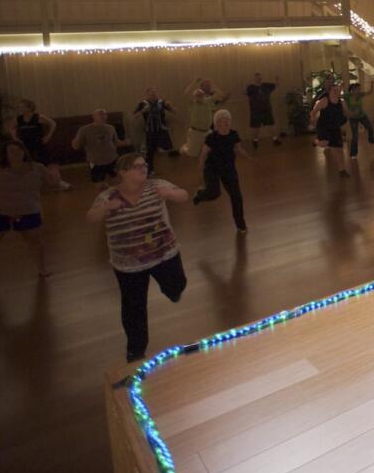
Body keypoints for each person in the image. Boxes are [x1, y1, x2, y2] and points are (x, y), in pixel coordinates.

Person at [87, 153, 189, 363]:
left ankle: (174, 291)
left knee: (177, 285)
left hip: (164, 254)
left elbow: (184, 195)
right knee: (134, 307)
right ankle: (135, 350)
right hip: (129, 264)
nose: (143, 168)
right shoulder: (109, 196)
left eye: (144, 165)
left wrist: (169, 194)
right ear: (123, 172)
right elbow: (90, 217)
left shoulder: (157, 185)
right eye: (136, 166)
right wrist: (106, 208)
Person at [0, 141, 59, 277]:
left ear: (24, 152)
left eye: (18, 150)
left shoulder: (37, 168)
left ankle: (42, 269)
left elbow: (53, 183)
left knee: (36, 242)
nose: (16, 154)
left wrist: (55, 172)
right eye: (11, 151)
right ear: (6, 155)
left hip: (28, 211)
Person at [192, 109, 250, 232]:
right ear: (217, 124)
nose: (225, 123)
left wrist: (249, 158)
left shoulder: (234, 134)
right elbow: (203, 154)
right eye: (222, 121)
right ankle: (200, 194)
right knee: (214, 193)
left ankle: (240, 224)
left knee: (236, 196)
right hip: (212, 169)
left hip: (228, 169)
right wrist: (200, 168)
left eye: (227, 120)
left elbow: (238, 149)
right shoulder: (211, 137)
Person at [10, 99, 70, 190]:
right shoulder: (19, 119)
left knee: (49, 164)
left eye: (22, 106)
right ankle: (23, 185)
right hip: (25, 145)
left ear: (29, 107)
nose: (20, 108)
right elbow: (11, 127)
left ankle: (59, 183)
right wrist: (16, 139)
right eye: (20, 107)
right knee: (25, 165)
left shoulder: (37, 117)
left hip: (38, 144)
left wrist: (48, 136)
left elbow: (53, 124)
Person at [72, 109, 125, 190]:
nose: (103, 116)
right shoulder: (84, 130)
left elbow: (116, 141)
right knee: (100, 185)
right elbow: (76, 146)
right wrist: (75, 143)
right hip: (96, 161)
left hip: (111, 159)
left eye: (105, 114)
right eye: (100, 114)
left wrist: (127, 142)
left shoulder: (111, 128)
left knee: (118, 180)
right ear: (93, 117)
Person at [310, 84, 351, 177]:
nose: (336, 92)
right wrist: (312, 122)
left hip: (335, 127)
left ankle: (342, 170)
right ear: (329, 92)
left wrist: (350, 118)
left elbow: (347, 113)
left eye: (338, 90)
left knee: (339, 150)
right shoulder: (324, 101)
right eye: (334, 90)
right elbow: (313, 112)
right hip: (323, 126)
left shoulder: (342, 102)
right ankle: (315, 141)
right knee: (324, 143)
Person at [134, 88, 176, 174]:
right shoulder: (143, 103)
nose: (153, 94)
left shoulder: (162, 102)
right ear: (147, 94)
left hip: (161, 131)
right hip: (150, 131)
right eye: (151, 93)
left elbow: (174, 112)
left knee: (164, 149)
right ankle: (149, 170)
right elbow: (135, 116)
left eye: (155, 92)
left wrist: (170, 106)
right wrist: (143, 110)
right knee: (150, 152)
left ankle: (166, 168)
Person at [244, 73, 280, 150]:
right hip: (255, 111)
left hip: (267, 110)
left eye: (259, 77)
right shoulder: (251, 87)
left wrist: (277, 80)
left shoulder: (266, 85)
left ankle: (275, 139)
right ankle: (255, 141)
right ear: (254, 78)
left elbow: (276, 86)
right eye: (257, 77)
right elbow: (245, 93)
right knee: (255, 127)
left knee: (271, 125)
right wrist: (245, 86)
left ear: (261, 78)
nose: (258, 79)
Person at [345, 81, 374, 159]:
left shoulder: (360, 95)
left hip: (362, 115)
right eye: (358, 89)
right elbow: (338, 96)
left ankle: (371, 139)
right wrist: (340, 88)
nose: (359, 90)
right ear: (353, 89)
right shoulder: (348, 96)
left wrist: (372, 84)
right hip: (353, 118)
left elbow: (370, 92)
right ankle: (353, 154)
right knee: (355, 136)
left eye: (360, 89)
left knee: (370, 127)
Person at [181, 89, 213, 157]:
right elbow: (186, 93)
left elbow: (220, 95)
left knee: (211, 152)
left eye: (201, 95)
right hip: (196, 132)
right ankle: (184, 148)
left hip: (208, 132)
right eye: (198, 95)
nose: (200, 97)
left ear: (204, 96)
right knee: (192, 154)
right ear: (195, 97)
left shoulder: (208, 102)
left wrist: (212, 85)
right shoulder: (192, 104)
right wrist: (195, 81)